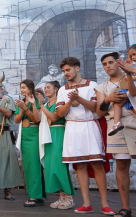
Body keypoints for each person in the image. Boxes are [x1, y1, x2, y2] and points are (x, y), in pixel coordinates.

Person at [56, 57, 114, 215]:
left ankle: (104, 204)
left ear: (77, 68)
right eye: (63, 71)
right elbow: (60, 113)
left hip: (90, 125)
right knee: (80, 165)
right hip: (72, 127)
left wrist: (79, 99)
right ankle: (86, 204)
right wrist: (70, 102)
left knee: (97, 164)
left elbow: (97, 109)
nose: (65, 73)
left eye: (68, 70)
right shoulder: (62, 90)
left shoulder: (92, 85)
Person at [96, 52, 135, 217]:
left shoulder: (131, 75)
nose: (108, 66)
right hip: (115, 125)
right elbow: (99, 112)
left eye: (110, 62)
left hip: (133, 120)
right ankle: (125, 208)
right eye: (104, 64)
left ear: (118, 62)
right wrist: (108, 99)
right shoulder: (101, 87)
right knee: (121, 165)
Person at [39, 81, 76, 209]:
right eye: (45, 88)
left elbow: (54, 118)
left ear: (56, 89)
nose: (46, 89)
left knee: (59, 166)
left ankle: (69, 197)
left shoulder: (58, 103)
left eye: (48, 87)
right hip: (47, 135)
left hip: (58, 133)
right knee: (51, 167)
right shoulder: (45, 104)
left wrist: (41, 106)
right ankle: (61, 197)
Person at [14, 79, 46, 207]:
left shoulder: (37, 101)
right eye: (21, 87)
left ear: (31, 88)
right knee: (27, 165)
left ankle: (35, 196)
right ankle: (36, 195)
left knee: (34, 165)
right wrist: (22, 109)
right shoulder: (21, 102)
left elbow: (36, 119)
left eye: (24, 87)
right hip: (24, 134)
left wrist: (26, 108)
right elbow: (16, 120)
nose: (22, 90)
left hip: (34, 133)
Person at [109, 45, 136, 136]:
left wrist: (132, 75)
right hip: (131, 91)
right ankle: (116, 123)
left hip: (132, 91)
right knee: (117, 103)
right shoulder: (132, 66)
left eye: (135, 54)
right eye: (131, 55)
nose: (133, 57)